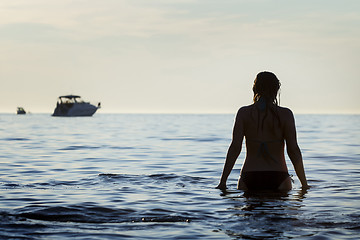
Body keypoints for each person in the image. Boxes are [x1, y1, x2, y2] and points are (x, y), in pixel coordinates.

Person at [216, 71, 309, 192]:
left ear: (255, 88)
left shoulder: (244, 113)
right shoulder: (286, 114)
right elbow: (293, 150)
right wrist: (304, 184)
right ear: (276, 89)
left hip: (249, 177)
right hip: (279, 177)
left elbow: (235, 147)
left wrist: (223, 182)